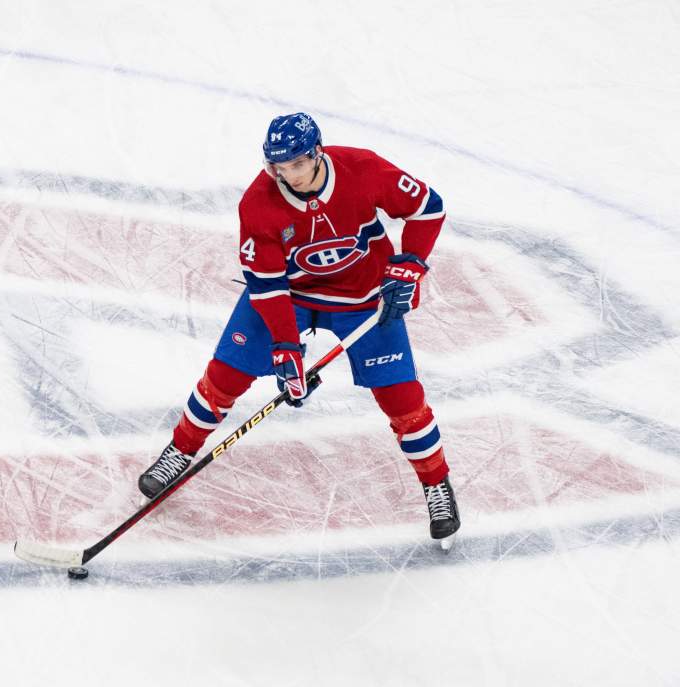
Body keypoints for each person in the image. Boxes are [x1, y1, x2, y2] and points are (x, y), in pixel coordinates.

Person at [138, 112, 460, 542]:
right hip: (290, 295)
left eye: (296, 164)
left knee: (402, 398)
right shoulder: (258, 203)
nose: (287, 175)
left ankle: (436, 483)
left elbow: (428, 208)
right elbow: (268, 286)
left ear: (317, 153)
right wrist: (285, 348)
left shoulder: (363, 169)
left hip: (362, 295)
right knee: (226, 374)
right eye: (278, 167)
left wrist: (410, 263)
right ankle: (180, 451)